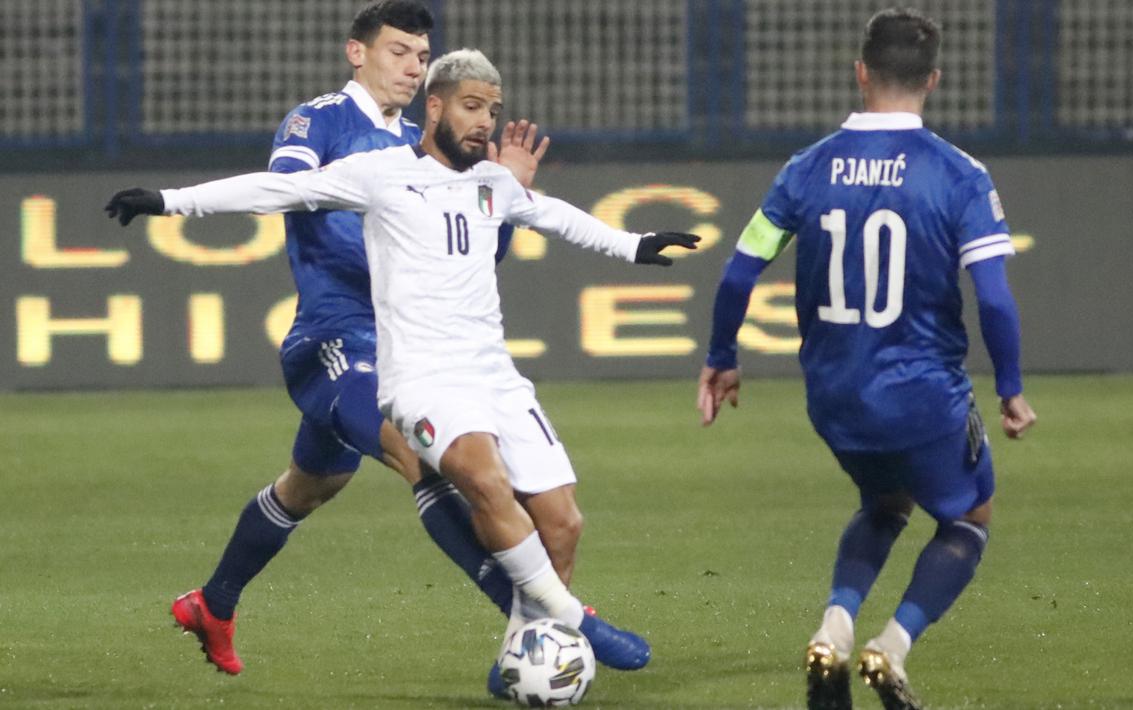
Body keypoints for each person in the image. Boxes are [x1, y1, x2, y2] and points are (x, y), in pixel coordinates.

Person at [106, 47, 699, 678]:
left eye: (493, 112)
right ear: (434, 108)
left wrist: (634, 244)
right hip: (418, 378)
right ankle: (576, 622)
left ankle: (519, 658)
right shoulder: (378, 172)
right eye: (472, 107)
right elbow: (282, 188)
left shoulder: (494, 182)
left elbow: (553, 217)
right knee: (474, 477)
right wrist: (170, 200)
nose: (485, 122)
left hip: (493, 373)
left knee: (560, 520)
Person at [146, 0, 545, 677]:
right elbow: (288, 188)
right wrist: (173, 199)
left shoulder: (423, 148)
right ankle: (542, 618)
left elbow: (473, 255)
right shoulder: (319, 121)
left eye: (421, 56)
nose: (412, 67)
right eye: (397, 52)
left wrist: (503, 195)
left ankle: (212, 603)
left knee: (308, 486)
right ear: (356, 53)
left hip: (400, 348)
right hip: (333, 339)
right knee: (425, 457)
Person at [695, 8, 1037, 710]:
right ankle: (892, 646)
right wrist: (1009, 388)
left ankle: (835, 627)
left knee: (884, 502)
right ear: (932, 81)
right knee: (969, 518)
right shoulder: (959, 175)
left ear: (860, 72)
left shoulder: (805, 168)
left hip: (833, 396)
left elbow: (737, 272)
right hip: (921, 395)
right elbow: (994, 300)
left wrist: (721, 357)